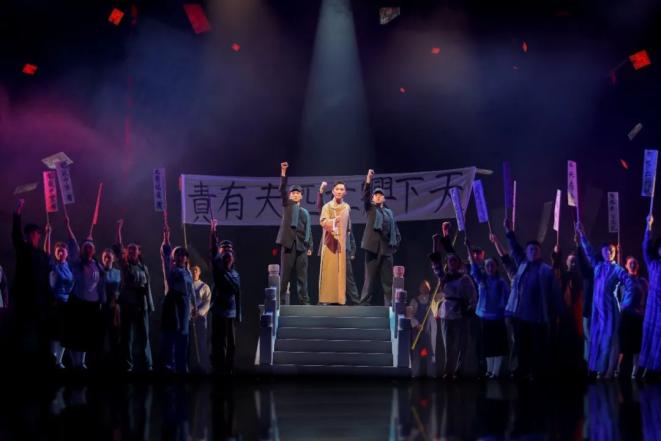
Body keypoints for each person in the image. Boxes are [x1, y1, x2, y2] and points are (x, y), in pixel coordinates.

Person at [504, 217, 562, 380]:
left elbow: (555, 293)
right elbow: (515, 248)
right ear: (526, 251)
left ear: (540, 252)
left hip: (538, 317)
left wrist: (559, 313)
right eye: (530, 249)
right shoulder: (522, 264)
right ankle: (522, 370)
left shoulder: (546, 270)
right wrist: (508, 231)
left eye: (536, 249)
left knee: (537, 346)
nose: (533, 251)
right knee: (521, 345)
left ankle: (536, 372)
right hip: (520, 315)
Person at [576, 221, 632, 379]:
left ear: (614, 252)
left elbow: (630, 285)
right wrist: (582, 234)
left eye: (612, 250)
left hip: (610, 309)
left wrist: (624, 304)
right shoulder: (598, 266)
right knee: (597, 339)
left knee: (611, 340)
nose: (609, 252)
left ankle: (608, 371)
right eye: (606, 249)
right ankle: (597, 369)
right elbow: (588, 251)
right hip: (597, 310)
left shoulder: (618, 269)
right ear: (602, 251)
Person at [11, 199, 52, 369]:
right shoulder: (23, 249)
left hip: (40, 301)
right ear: (28, 235)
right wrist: (18, 211)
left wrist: (49, 235)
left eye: (37, 233)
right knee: (24, 332)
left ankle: (39, 362)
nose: (35, 235)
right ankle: (22, 363)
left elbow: (48, 259)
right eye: (33, 233)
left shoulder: (41, 254)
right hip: (24, 299)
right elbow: (15, 234)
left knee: (40, 332)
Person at [62, 215, 106, 370]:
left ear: (93, 250)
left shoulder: (98, 266)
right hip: (78, 303)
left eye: (90, 247)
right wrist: (68, 226)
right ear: (82, 249)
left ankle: (82, 363)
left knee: (87, 336)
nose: (88, 250)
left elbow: (101, 285)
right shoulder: (77, 263)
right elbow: (73, 244)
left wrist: (102, 301)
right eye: (86, 247)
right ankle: (76, 363)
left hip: (92, 306)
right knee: (76, 335)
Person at [114, 220, 154, 372]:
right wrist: (119, 229)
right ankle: (128, 365)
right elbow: (119, 248)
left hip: (142, 305)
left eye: (133, 249)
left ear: (138, 252)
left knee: (144, 336)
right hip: (128, 304)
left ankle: (148, 365)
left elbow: (148, 287)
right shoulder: (126, 266)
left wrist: (150, 305)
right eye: (129, 250)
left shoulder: (144, 268)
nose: (131, 252)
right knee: (127, 337)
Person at [359, 169, 401, 306]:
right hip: (372, 249)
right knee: (369, 279)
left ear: (384, 198)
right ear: (373, 198)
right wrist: (368, 179)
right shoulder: (370, 209)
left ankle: (390, 306)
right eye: (375, 195)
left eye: (380, 195)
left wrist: (395, 245)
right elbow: (366, 195)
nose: (377, 197)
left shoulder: (389, 213)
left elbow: (396, 231)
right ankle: (364, 305)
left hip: (386, 250)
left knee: (388, 281)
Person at [468, 241, 509, 378]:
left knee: (498, 345)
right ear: (485, 267)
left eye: (492, 265)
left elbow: (507, 298)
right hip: (484, 317)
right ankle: (489, 370)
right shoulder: (481, 280)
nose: (490, 267)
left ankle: (496, 371)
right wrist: (468, 248)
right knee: (487, 345)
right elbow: (473, 266)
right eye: (487, 265)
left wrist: (505, 312)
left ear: (496, 267)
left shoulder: (501, 282)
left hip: (497, 317)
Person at [275, 162, 313, 305]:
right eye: (293, 193)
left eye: (298, 193)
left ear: (301, 196)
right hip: (288, 244)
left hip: (302, 246)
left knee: (302, 276)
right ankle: (280, 301)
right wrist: (283, 172)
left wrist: (310, 246)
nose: (295, 195)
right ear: (290, 195)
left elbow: (308, 229)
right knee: (285, 275)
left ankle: (304, 301)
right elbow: (282, 189)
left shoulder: (305, 213)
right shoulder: (287, 205)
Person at [317, 182, 360, 305]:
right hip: (330, 244)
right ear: (333, 191)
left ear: (345, 192)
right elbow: (323, 221)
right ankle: (326, 300)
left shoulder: (347, 207)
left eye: (342, 189)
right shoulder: (327, 207)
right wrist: (333, 221)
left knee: (346, 274)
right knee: (328, 272)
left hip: (343, 245)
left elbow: (349, 229)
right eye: (337, 189)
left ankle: (352, 301)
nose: (339, 191)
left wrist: (352, 247)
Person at [160, 224, 194, 373]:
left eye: (183, 255)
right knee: (172, 334)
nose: (181, 257)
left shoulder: (188, 272)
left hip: (185, 305)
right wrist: (166, 237)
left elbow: (191, 291)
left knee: (184, 336)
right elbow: (165, 255)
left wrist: (193, 306)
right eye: (178, 254)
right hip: (173, 304)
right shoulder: (172, 269)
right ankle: (170, 366)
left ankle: (182, 367)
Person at [209, 219, 241, 374]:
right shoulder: (218, 271)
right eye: (225, 254)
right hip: (220, 313)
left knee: (232, 345)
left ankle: (229, 371)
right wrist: (213, 233)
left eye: (230, 254)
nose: (227, 256)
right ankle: (219, 371)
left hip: (231, 313)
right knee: (219, 344)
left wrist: (239, 314)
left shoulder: (235, 274)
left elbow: (238, 295)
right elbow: (214, 254)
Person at [438, 252, 476, 379]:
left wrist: (470, 307)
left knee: (461, 343)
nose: (453, 263)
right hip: (446, 313)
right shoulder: (444, 277)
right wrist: (435, 245)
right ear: (447, 263)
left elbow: (472, 295)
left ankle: (459, 371)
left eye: (455, 260)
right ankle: (448, 371)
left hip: (460, 312)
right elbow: (436, 267)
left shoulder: (464, 278)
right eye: (450, 261)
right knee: (448, 344)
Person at [617, 256, 647, 379]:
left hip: (638, 317)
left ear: (638, 266)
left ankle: (635, 372)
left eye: (635, 263)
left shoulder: (642, 281)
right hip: (626, 316)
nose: (633, 265)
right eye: (630, 263)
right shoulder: (623, 280)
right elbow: (618, 297)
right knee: (624, 345)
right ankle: (619, 370)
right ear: (626, 266)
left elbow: (648, 297)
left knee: (637, 346)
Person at [47, 238, 74, 369]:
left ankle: (59, 361)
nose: (60, 253)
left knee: (64, 333)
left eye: (62, 251)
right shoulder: (54, 266)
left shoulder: (69, 267)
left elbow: (72, 284)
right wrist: (49, 235)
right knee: (55, 332)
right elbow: (52, 286)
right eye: (58, 251)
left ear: (67, 253)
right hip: (56, 303)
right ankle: (53, 359)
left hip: (67, 303)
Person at [640, 214, 661, 377]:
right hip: (653, 304)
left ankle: (656, 369)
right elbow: (645, 247)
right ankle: (646, 368)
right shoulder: (653, 263)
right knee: (649, 335)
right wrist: (649, 226)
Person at [409, 280, 439, 378]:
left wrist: (442, 281)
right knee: (416, 352)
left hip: (430, 329)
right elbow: (410, 315)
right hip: (418, 330)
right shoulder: (414, 301)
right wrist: (416, 324)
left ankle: (431, 375)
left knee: (431, 352)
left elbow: (444, 295)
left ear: (430, 288)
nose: (425, 288)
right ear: (420, 288)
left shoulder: (433, 299)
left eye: (427, 287)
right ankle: (416, 374)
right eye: (423, 287)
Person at [101, 248, 121, 369]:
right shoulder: (99, 271)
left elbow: (121, 289)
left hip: (114, 307)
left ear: (113, 258)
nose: (107, 259)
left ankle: (115, 363)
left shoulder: (118, 273)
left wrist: (117, 301)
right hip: (101, 307)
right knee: (101, 336)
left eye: (109, 257)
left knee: (115, 336)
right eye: (105, 257)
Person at [190, 265, 212, 373]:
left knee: (201, 342)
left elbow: (207, 303)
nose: (194, 272)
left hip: (201, 319)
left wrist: (198, 313)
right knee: (191, 343)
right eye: (192, 270)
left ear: (199, 273)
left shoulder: (205, 287)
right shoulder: (188, 285)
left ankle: (204, 366)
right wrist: (190, 312)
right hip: (189, 319)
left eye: (196, 270)